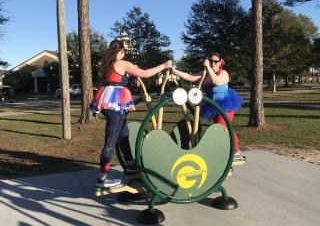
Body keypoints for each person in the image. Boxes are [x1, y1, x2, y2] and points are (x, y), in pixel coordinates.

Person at [90, 39, 172, 188]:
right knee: (110, 142)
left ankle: (130, 163)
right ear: (121, 51)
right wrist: (164, 66)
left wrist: (131, 72)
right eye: (124, 52)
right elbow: (145, 74)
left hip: (109, 103)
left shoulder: (107, 64)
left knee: (123, 133)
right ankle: (102, 178)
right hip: (115, 106)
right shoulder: (122, 63)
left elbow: (117, 78)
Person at [171, 52, 245, 161]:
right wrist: (174, 70)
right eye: (211, 61)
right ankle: (223, 151)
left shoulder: (223, 73)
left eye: (216, 61)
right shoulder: (205, 73)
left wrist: (208, 68)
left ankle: (236, 152)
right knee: (218, 129)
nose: (213, 63)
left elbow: (216, 81)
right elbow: (190, 77)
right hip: (212, 106)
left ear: (220, 62)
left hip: (225, 105)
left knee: (223, 128)